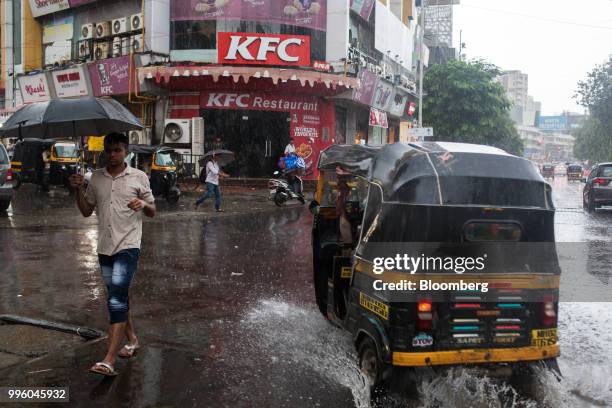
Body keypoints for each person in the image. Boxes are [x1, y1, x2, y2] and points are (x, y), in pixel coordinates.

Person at [69, 133, 156, 377]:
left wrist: (144, 205)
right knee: (117, 294)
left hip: (128, 246)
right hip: (104, 247)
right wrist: (77, 190)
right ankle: (133, 340)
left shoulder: (139, 177)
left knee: (116, 298)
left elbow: (153, 211)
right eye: (108, 150)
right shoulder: (95, 178)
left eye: (117, 150)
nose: (112, 154)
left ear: (126, 151)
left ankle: (109, 359)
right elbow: (87, 211)